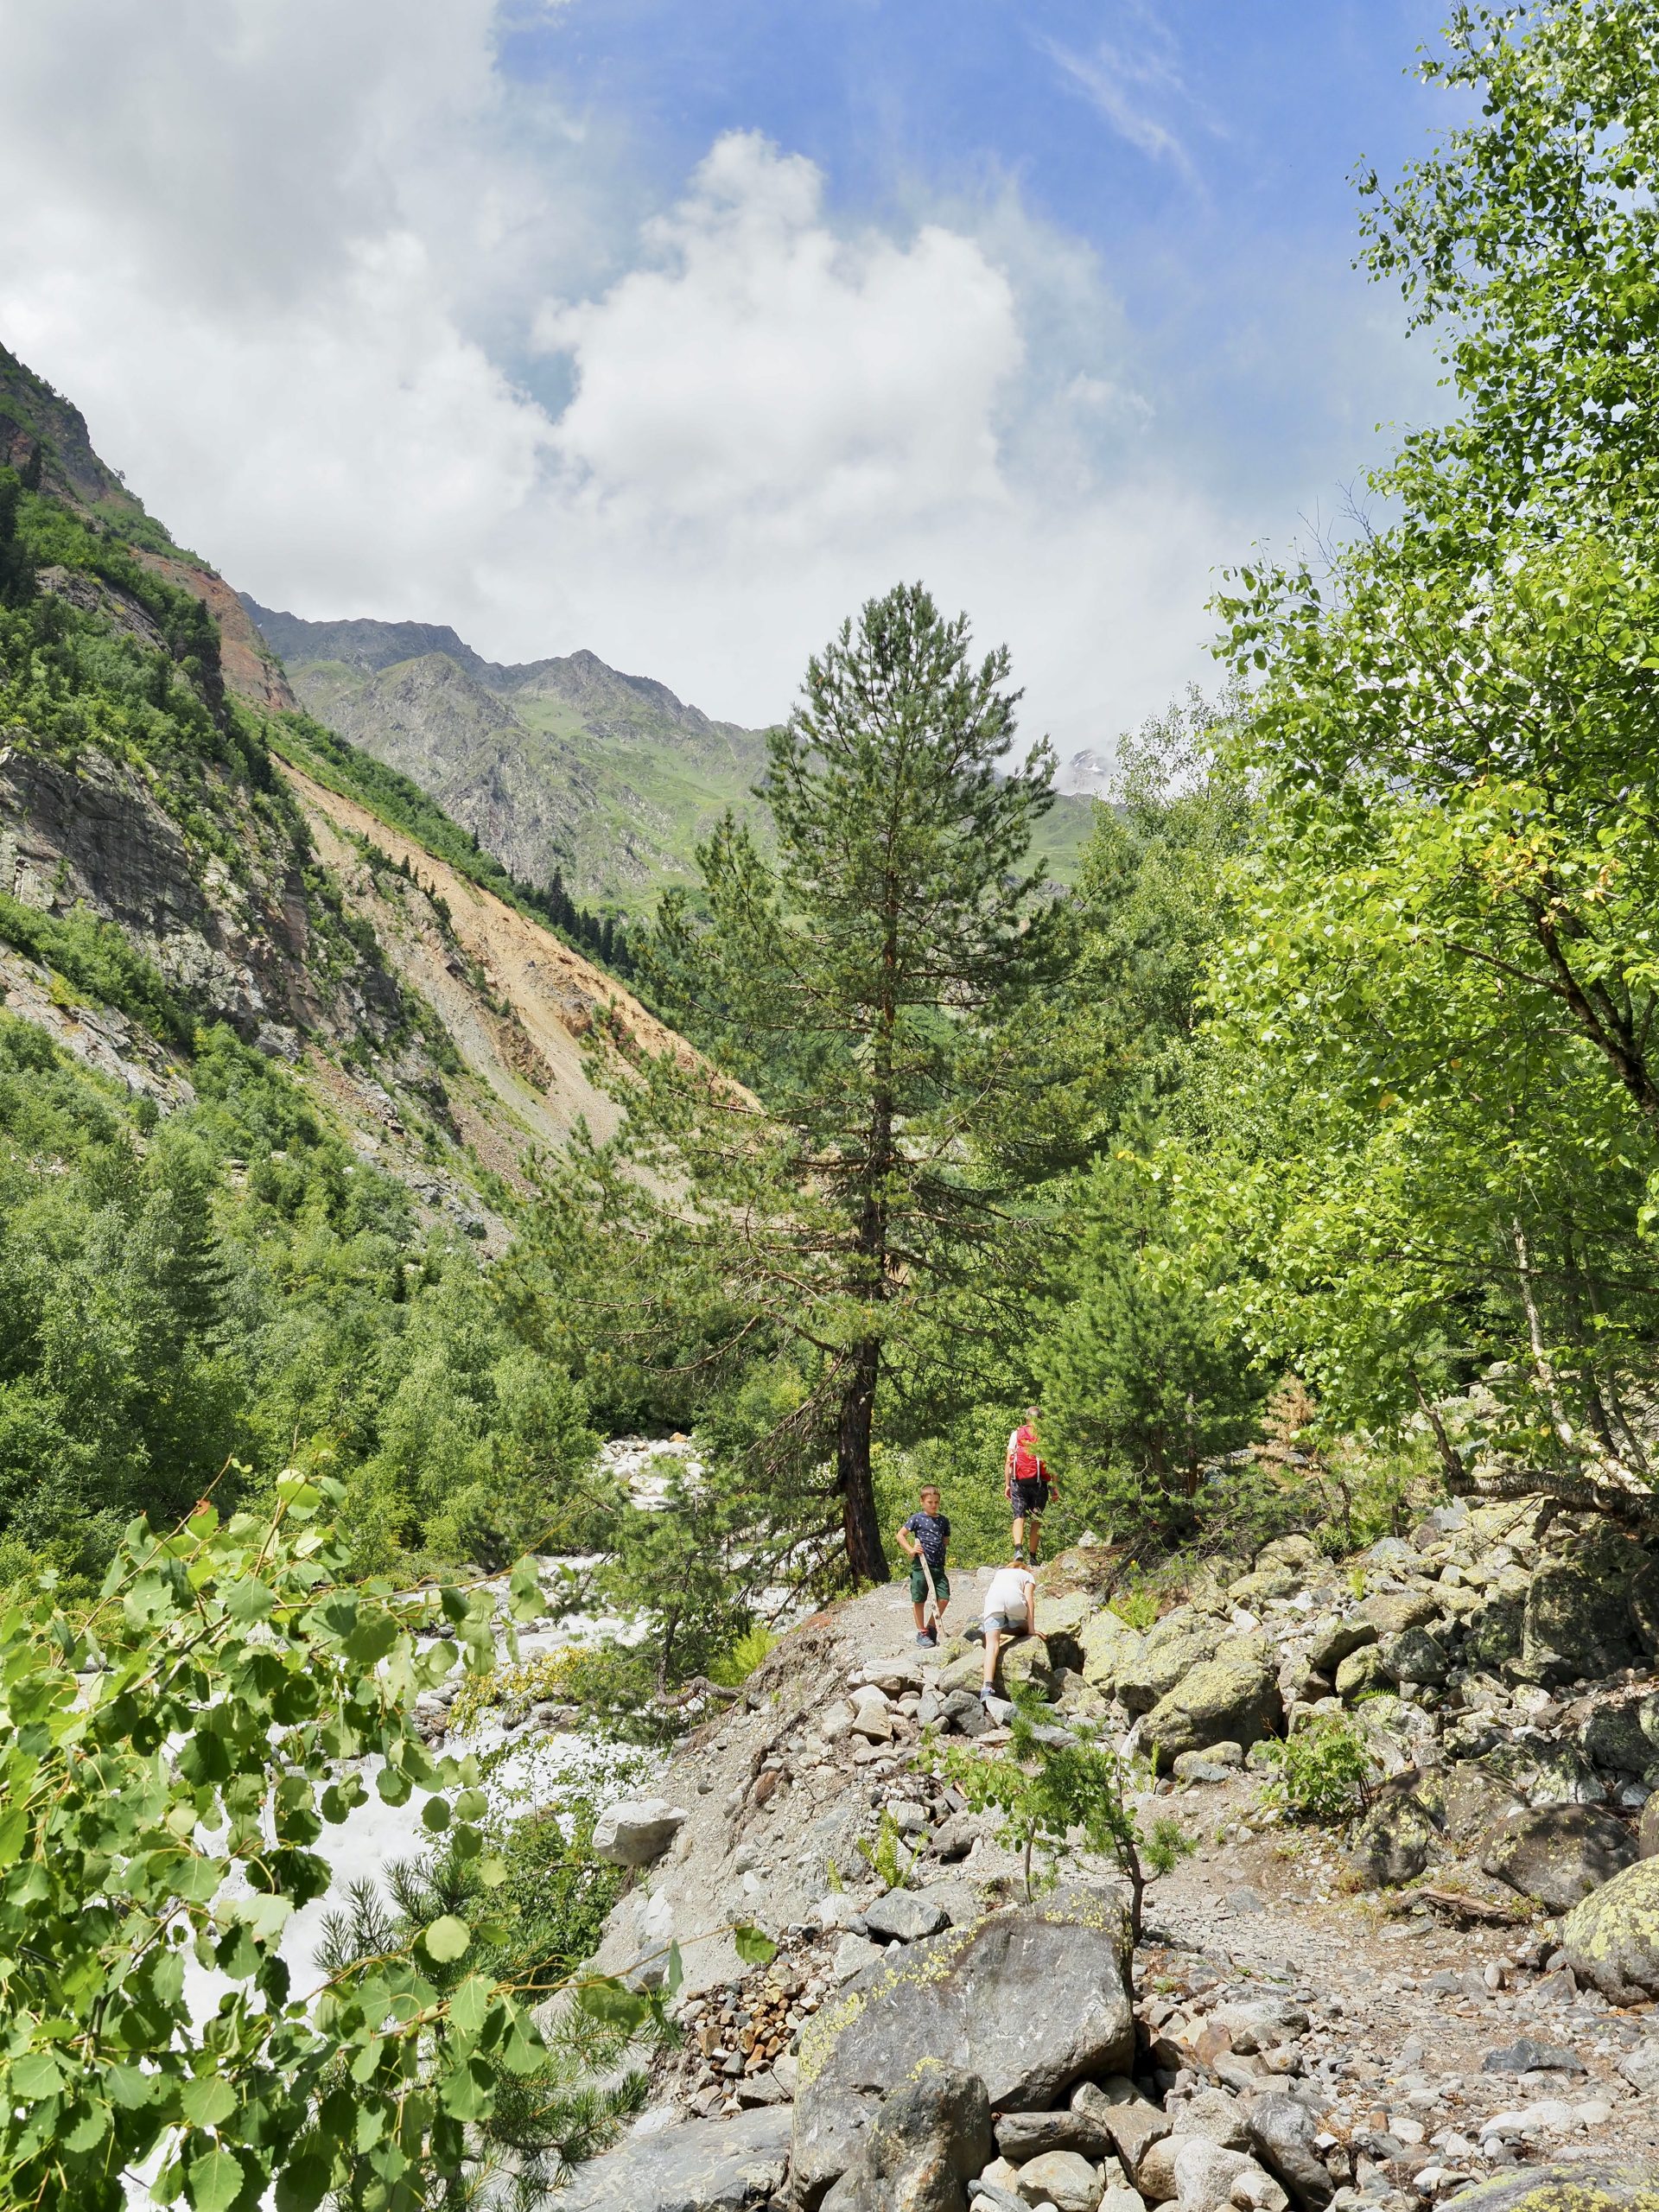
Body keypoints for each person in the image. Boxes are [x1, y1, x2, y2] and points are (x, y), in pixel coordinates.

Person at [896, 1484, 950, 1646]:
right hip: (921, 1564)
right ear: (922, 1501)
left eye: (936, 1502)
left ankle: (932, 1626)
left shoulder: (943, 1521)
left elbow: (945, 1541)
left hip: (938, 1566)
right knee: (919, 1598)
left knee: (944, 1597)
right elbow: (900, 1535)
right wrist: (911, 1550)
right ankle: (922, 1632)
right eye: (930, 1502)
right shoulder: (917, 1518)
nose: (933, 1505)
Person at [980, 1556, 1037, 1703]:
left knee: (991, 1646)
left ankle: (987, 1688)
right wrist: (1031, 1629)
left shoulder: (1000, 1573)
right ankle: (1013, 1629)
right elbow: (1029, 1599)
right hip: (1014, 1601)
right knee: (1024, 1630)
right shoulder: (1028, 1575)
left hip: (993, 1601)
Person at [1005, 1406, 1057, 1565]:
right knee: (1036, 1519)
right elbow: (1052, 1464)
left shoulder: (1016, 1434)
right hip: (1039, 1484)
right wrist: (1055, 1487)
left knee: (1018, 1517)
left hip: (1018, 1482)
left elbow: (1008, 1461)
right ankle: (1033, 1558)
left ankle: (1018, 1550)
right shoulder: (1046, 1436)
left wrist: (1007, 1484)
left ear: (1026, 1418)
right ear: (1041, 1420)